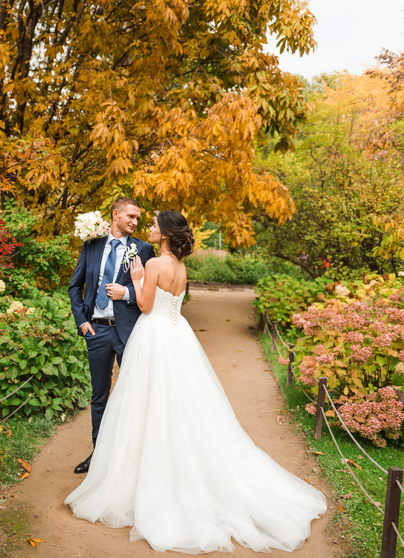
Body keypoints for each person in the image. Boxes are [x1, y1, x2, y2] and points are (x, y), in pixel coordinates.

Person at [65, 211, 327, 554]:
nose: (150, 229)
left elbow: (144, 306)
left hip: (154, 337)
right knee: (182, 403)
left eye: (155, 225)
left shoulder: (156, 264)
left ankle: (149, 473)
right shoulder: (182, 268)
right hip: (177, 335)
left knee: (148, 403)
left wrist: (137, 276)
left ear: (166, 233)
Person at [68, 197, 155, 474]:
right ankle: (99, 457)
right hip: (97, 332)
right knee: (100, 396)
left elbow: (155, 293)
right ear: (115, 215)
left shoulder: (144, 249)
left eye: (138, 218)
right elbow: (75, 286)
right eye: (130, 216)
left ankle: (132, 460)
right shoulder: (92, 246)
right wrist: (82, 322)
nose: (135, 222)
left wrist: (127, 293)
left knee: (136, 396)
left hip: (130, 333)